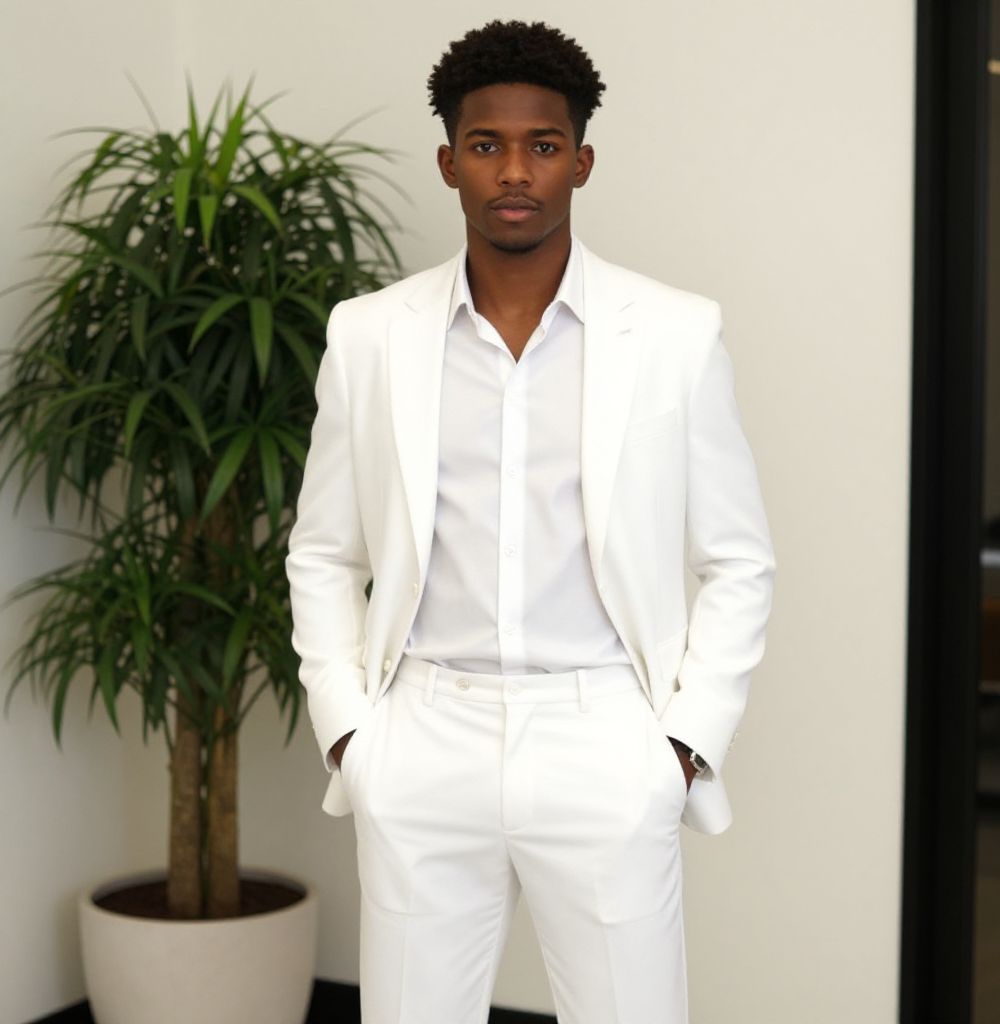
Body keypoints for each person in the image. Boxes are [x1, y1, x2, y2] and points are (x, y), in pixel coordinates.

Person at [285, 19, 774, 1024]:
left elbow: (737, 559)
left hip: (603, 736)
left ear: (581, 161)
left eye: (542, 146)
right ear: (448, 161)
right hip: (421, 733)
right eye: (486, 145)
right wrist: (350, 734)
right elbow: (324, 550)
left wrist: (679, 743)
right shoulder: (369, 335)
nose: (514, 170)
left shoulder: (676, 335)